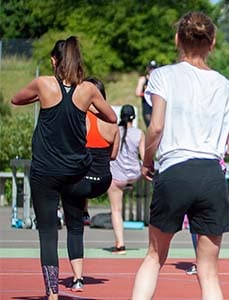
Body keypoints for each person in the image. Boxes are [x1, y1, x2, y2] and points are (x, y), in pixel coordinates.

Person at [131, 12, 229, 300]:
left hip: (176, 170)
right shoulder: (226, 86)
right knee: (208, 272)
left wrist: (147, 161)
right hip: (211, 175)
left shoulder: (163, 76)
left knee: (154, 257)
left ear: (177, 38)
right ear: (212, 42)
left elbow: (155, 127)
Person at [11, 36, 117, 300]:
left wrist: (39, 98)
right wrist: (88, 106)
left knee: (48, 233)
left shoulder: (43, 84)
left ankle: (52, 293)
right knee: (74, 224)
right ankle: (78, 272)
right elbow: (112, 117)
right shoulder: (87, 90)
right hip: (75, 173)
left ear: (53, 60)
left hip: (45, 172)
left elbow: (16, 99)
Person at [63, 77, 119, 291]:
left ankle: (77, 279)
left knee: (75, 229)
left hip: (80, 183)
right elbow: (113, 156)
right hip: (103, 181)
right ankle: (84, 208)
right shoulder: (112, 124)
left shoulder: (76, 120)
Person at [107, 104, 145, 254]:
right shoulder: (139, 133)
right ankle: (129, 186)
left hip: (117, 178)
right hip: (134, 175)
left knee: (116, 210)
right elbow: (143, 156)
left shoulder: (114, 131)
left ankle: (120, 245)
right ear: (133, 117)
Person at [136, 60, 158, 128]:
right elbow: (137, 93)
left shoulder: (158, 79)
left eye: (154, 68)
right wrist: (148, 94)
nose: (152, 70)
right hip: (147, 105)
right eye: (151, 68)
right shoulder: (143, 79)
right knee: (149, 125)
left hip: (156, 105)